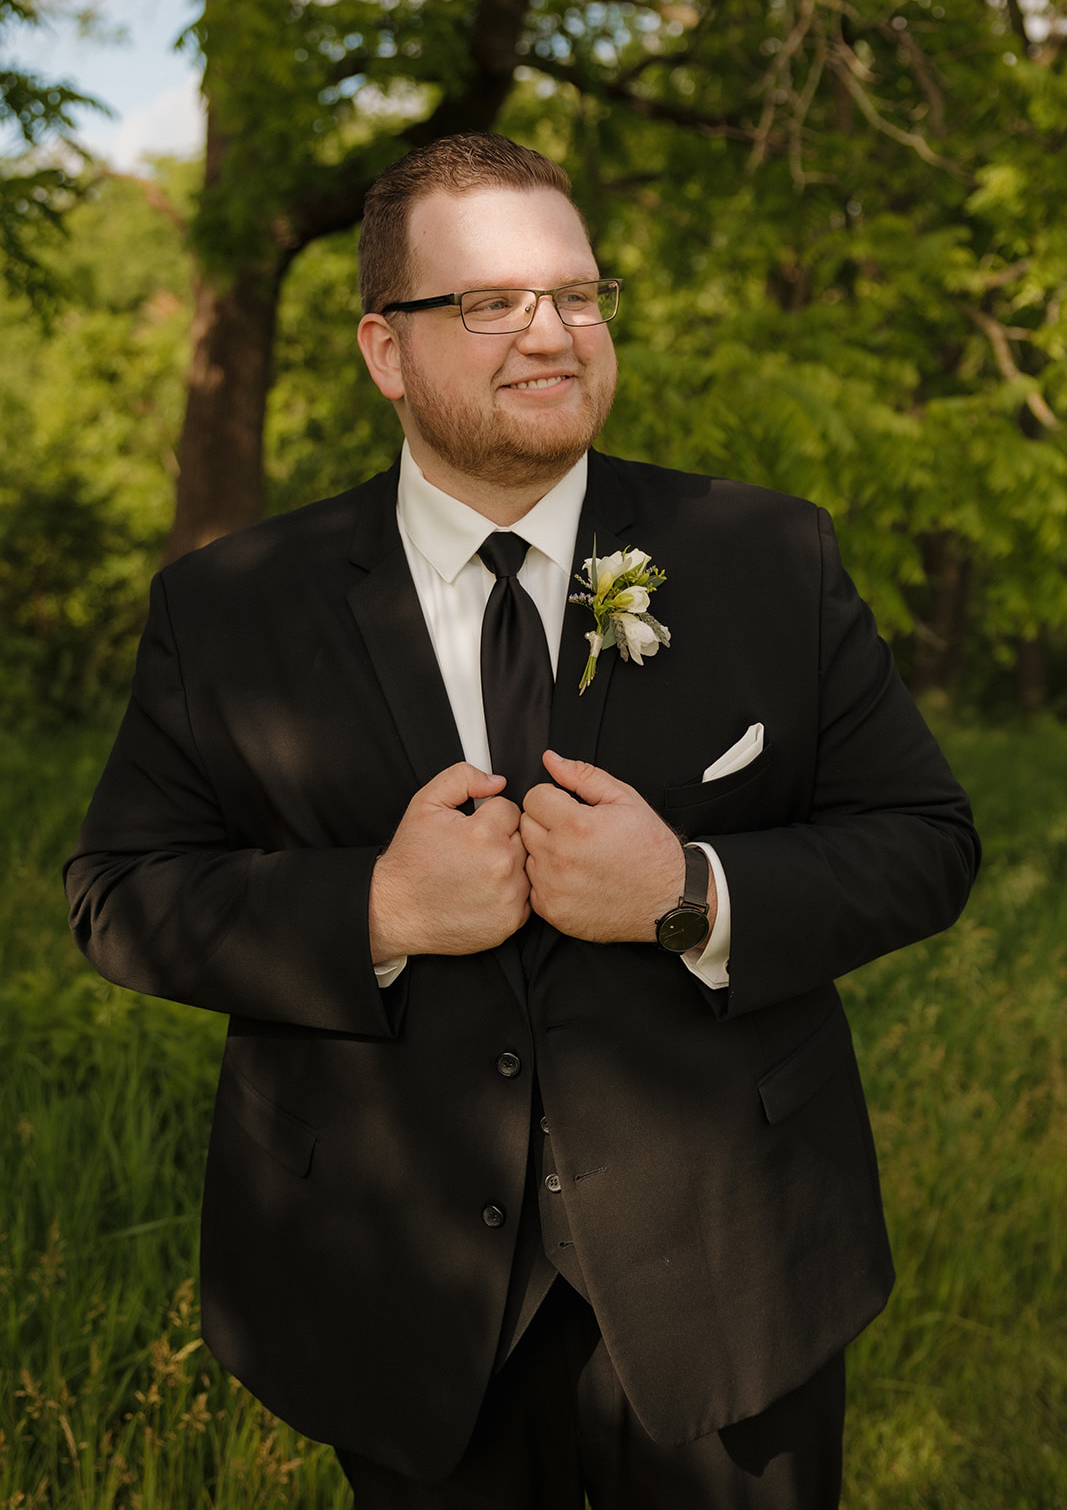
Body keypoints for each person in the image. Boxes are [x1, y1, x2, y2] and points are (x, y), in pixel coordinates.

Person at [65, 132, 979, 1509]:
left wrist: (691, 892)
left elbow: (925, 840)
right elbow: (119, 890)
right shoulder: (233, 608)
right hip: (395, 1294)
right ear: (386, 350)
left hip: (729, 1283)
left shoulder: (767, 558)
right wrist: (378, 909)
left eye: (578, 294)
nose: (551, 335)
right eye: (490, 303)